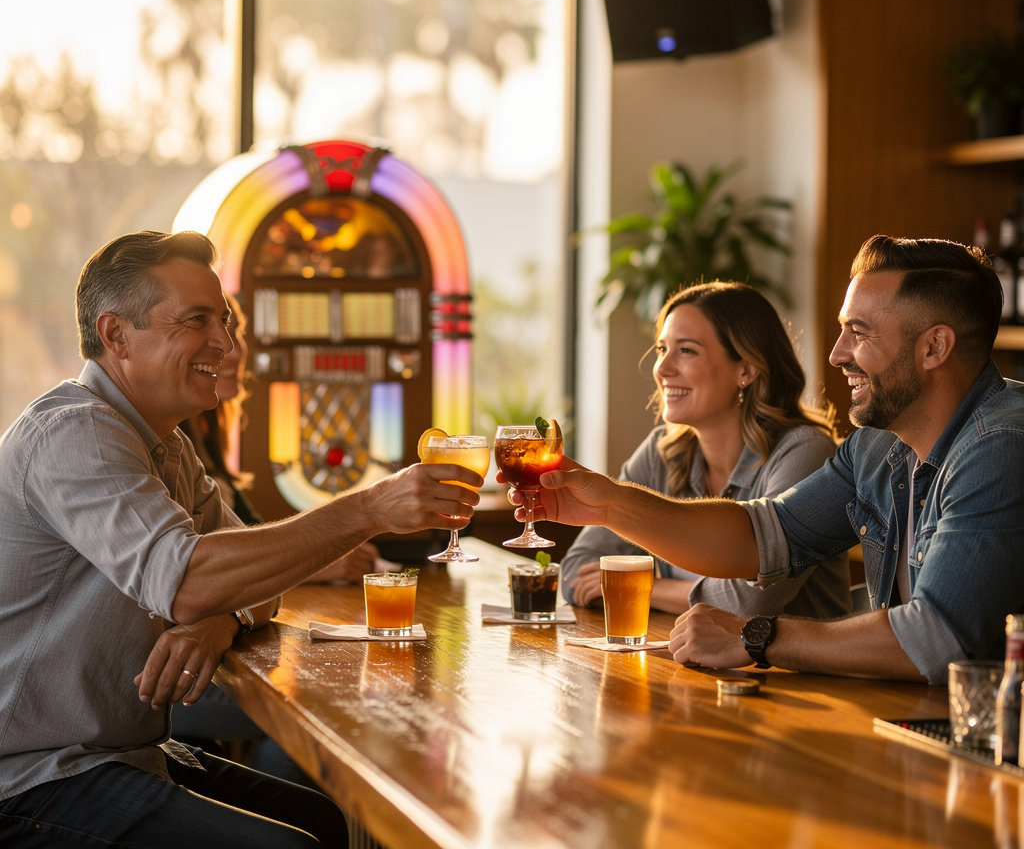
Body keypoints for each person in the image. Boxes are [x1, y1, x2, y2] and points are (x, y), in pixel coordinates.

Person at [0, 230, 481, 848]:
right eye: (198, 321)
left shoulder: (165, 444)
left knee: (323, 819)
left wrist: (218, 620)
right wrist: (370, 508)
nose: (226, 344)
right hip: (30, 777)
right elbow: (190, 578)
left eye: (223, 321)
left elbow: (249, 580)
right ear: (116, 335)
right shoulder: (75, 434)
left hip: (115, 752)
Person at [514, 235, 1024, 685]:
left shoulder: (999, 445)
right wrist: (609, 505)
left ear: (935, 346)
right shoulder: (880, 445)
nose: (837, 353)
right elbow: (763, 535)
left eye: (860, 333)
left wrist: (757, 636)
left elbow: (935, 638)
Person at [172, 291, 378, 787]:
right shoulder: (155, 436)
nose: (233, 349)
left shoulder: (196, 440)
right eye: (212, 327)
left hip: (196, 663)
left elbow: (241, 562)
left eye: (236, 332)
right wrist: (327, 551)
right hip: (151, 683)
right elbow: (193, 581)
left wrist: (232, 615)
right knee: (323, 704)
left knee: (331, 696)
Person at [559, 282, 851, 619]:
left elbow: (752, 602)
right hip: (688, 659)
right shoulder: (662, 452)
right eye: (661, 349)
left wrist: (642, 586)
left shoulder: (805, 452)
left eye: (686, 350)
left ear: (746, 369)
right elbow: (575, 571)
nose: (662, 369)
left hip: (796, 671)